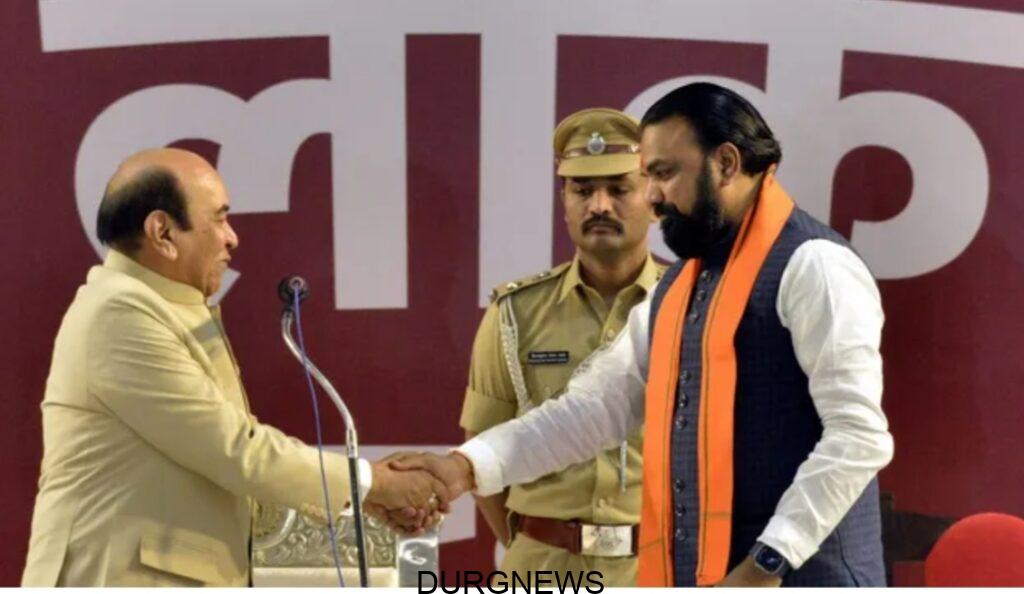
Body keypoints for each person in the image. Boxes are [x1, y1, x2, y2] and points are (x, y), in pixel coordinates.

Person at [388, 82, 894, 587]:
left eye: (665, 174)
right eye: (648, 177)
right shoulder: (681, 286)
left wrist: (766, 563)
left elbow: (857, 436)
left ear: (725, 163)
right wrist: (462, 469)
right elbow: (593, 410)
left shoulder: (815, 265)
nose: (652, 197)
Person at [21, 148, 444, 586]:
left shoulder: (162, 305)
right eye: (219, 218)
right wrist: (372, 484)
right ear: (163, 232)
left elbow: (223, 458)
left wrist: (361, 497)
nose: (232, 238)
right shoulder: (121, 314)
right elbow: (235, 449)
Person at [459, 108, 663, 586]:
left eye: (618, 189)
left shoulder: (690, 305)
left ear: (654, 199)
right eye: (582, 191)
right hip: (542, 567)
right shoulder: (514, 314)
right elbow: (481, 448)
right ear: (564, 202)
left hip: (657, 567)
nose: (599, 206)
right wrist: (534, 544)